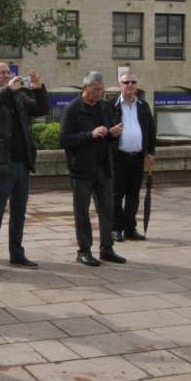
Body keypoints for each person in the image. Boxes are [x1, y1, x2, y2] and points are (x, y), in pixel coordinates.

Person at [0, 62, 48, 275]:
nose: (8, 75)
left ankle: (17, 254)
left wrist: (38, 88)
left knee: (19, 213)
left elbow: (40, 110)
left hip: (21, 163)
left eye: (9, 72)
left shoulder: (19, 97)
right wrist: (7, 90)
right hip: (0, 163)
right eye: (2, 72)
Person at [60, 71, 126, 267]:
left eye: (101, 90)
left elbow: (105, 134)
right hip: (81, 170)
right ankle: (84, 250)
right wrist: (90, 134)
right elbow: (64, 139)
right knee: (82, 212)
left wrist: (112, 133)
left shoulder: (103, 107)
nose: (99, 94)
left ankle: (107, 248)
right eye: (96, 90)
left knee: (107, 210)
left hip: (103, 168)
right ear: (85, 88)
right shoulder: (72, 109)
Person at [109, 70, 156, 243]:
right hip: (118, 157)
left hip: (137, 158)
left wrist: (150, 152)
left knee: (133, 195)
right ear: (119, 85)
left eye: (133, 82)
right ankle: (115, 228)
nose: (130, 85)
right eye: (126, 82)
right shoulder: (110, 106)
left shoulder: (143, 106)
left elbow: (151, 130)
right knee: (116, 195)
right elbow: (104, 129)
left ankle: (130, 228)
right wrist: (110, 132)